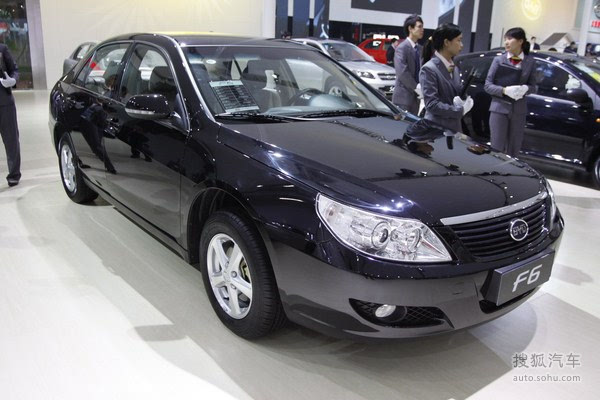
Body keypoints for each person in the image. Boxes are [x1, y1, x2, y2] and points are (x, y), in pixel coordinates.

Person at [484, 27, 536, 157]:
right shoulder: (499, 60)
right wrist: (504, 90)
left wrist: (526, 89)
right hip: (499, 109)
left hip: (518, 110)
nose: (506, 42)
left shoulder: (530, 61)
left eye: (510, 39)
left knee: (514, 149)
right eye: (505, 39)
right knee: (496, 148)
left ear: (520, 41)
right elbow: (488, 85)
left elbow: (534, 86)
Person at [419, 23, 472, 132]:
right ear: (447, 42)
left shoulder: (454, 67)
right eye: (458, 40)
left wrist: (465, 99)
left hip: (454, 127)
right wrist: (459, 110)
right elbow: (432, 105)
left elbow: (456, 92)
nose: (461, 45)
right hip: (436, 129)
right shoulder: (429, 69)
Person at [392, 14, 424, 115]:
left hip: (416, 98)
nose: (422, 30)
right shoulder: (402, 48)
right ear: (410, 28)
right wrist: (416, 87)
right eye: (419, 27)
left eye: (422, 27)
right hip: (403, 98)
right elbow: (402, 72)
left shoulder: (420, 49)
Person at [0, 42, 20, 187]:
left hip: (4, 102)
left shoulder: (2, 48)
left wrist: (12, 80)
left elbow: (14, 70)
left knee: (11, 140)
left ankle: (14, 174)